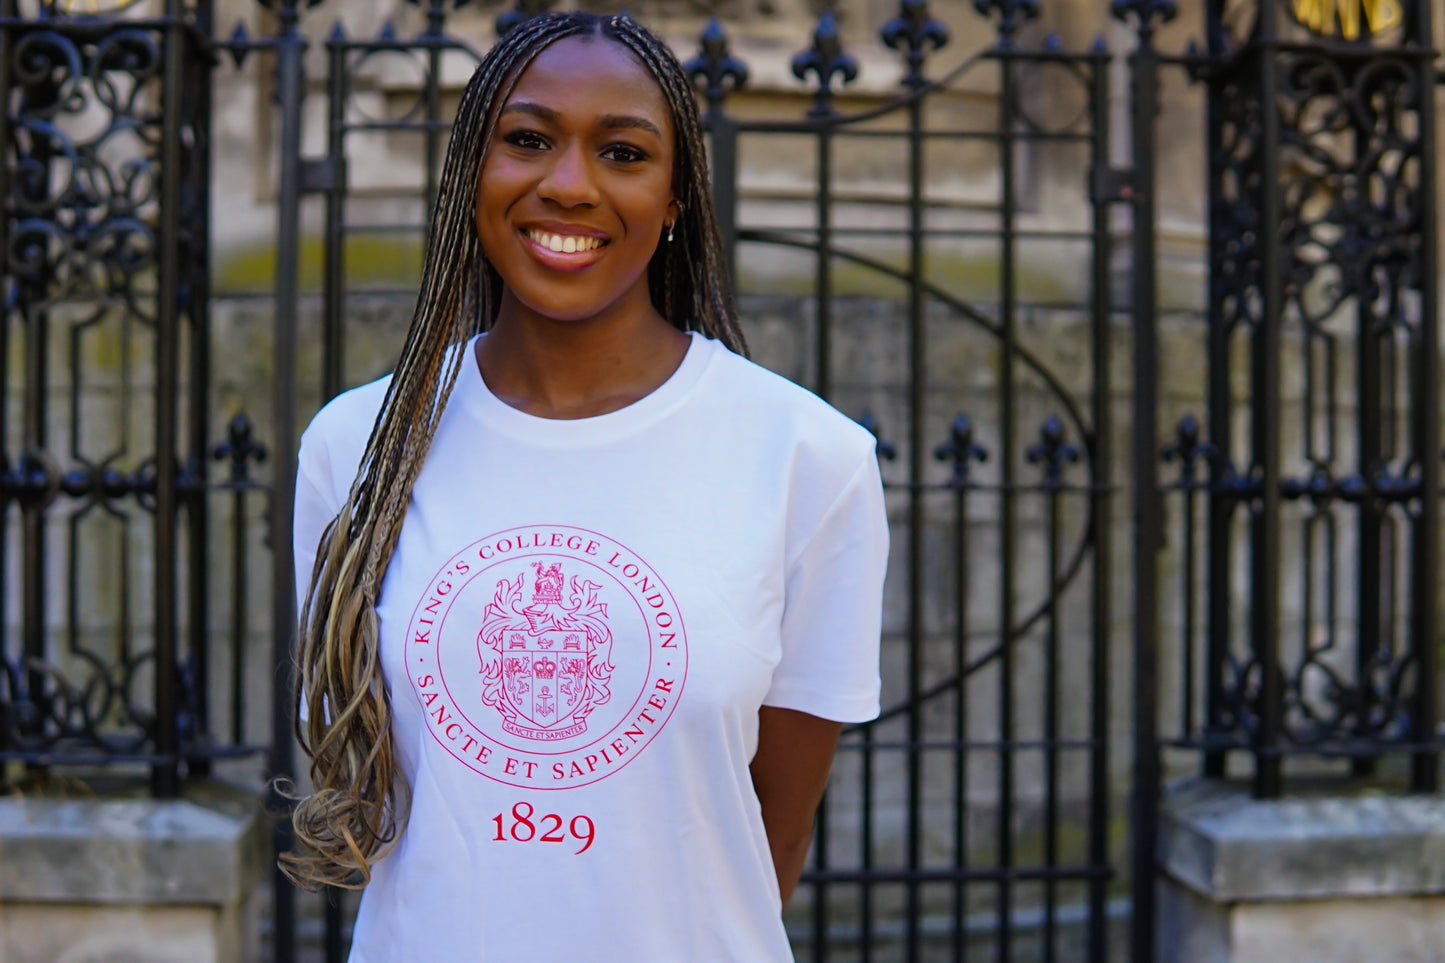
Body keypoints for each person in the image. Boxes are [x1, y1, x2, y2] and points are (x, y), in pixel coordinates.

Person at [285, 11, 888, 961]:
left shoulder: (809, 456)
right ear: (469, 176)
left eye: (621, 151)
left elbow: (771, 832)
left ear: (676, 196)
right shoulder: (357, 445)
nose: (569, 184)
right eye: (526, 140)